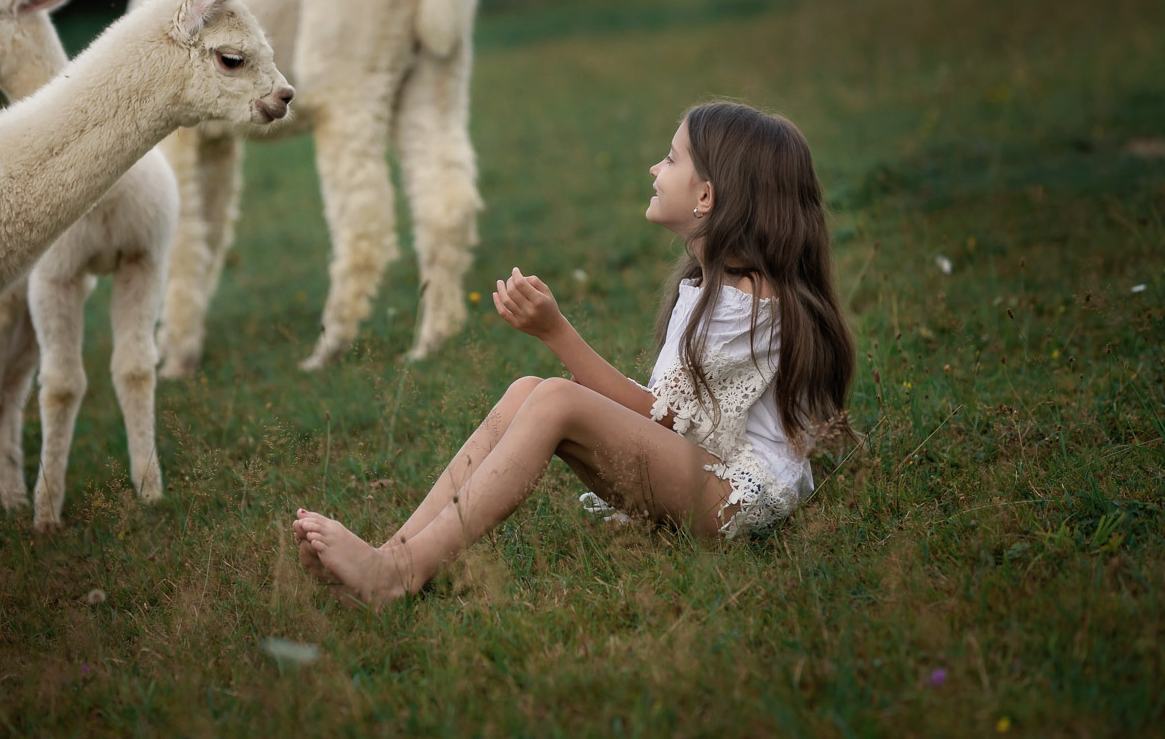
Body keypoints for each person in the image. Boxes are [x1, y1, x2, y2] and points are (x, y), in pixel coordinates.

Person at [293, 100, 856, 608]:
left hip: (734, 496)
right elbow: (668, 421)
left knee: (556, 399)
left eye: (670, 159)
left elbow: (662, 418)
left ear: (707, 196)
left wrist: (556, 332)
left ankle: (398, 573)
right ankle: (387, 555)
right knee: (525, 392)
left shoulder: (748, 304)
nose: (655, 171)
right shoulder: (717, 285)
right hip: (703, 474)